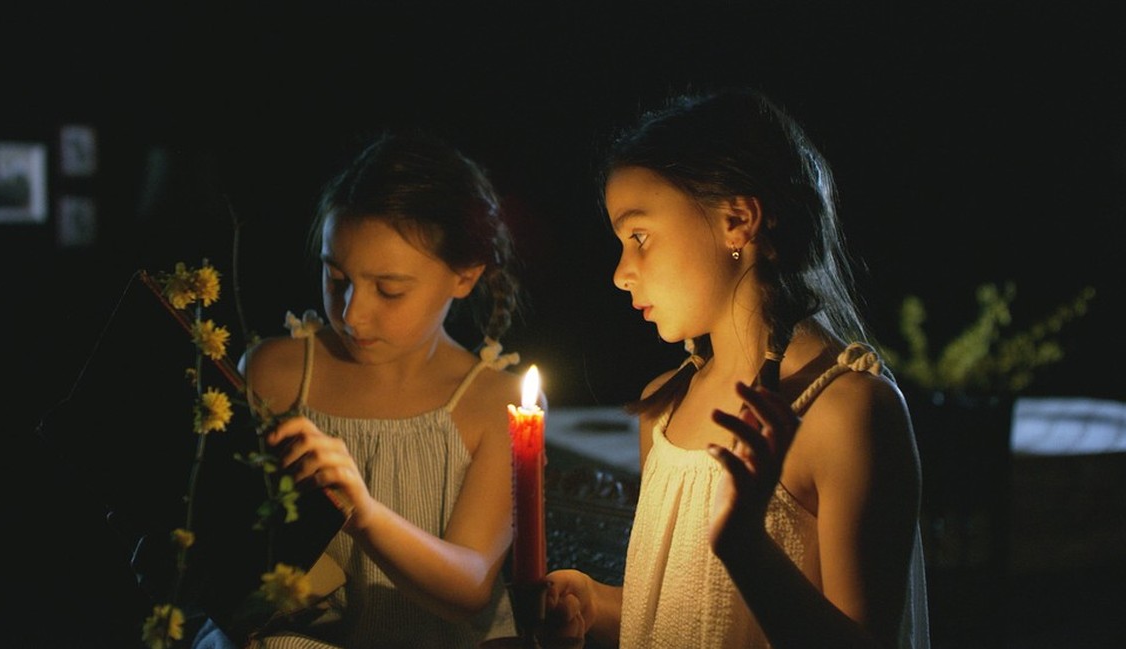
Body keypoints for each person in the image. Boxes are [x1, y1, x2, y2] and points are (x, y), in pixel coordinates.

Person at [542, 88, 930, 648]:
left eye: (639, 236)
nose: (621, 273)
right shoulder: (666, 407)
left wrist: (746, 544)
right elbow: (691, 609)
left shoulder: (845, 411)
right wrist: (595, 603)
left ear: (737, 219)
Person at [227, 131, 527, 648]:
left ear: (465, 275)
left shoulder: (490, 403)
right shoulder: (275, 375)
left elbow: (470, 585)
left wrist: (363, 514)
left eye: (389, 289)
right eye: (336, 276)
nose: (352, 313)